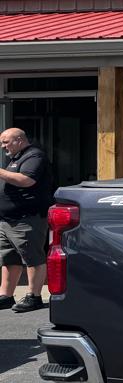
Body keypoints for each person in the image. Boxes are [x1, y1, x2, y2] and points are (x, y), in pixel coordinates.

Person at [0, 128, 54, 313]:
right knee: (9, 258)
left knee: (32, 257)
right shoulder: (16, 158)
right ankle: (6, 296)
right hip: (8, 220)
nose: (3, 146)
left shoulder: (34, 156)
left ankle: (34, 296)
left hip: (27, 219)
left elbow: (26, 180)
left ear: (19, 140)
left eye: (6, 142)